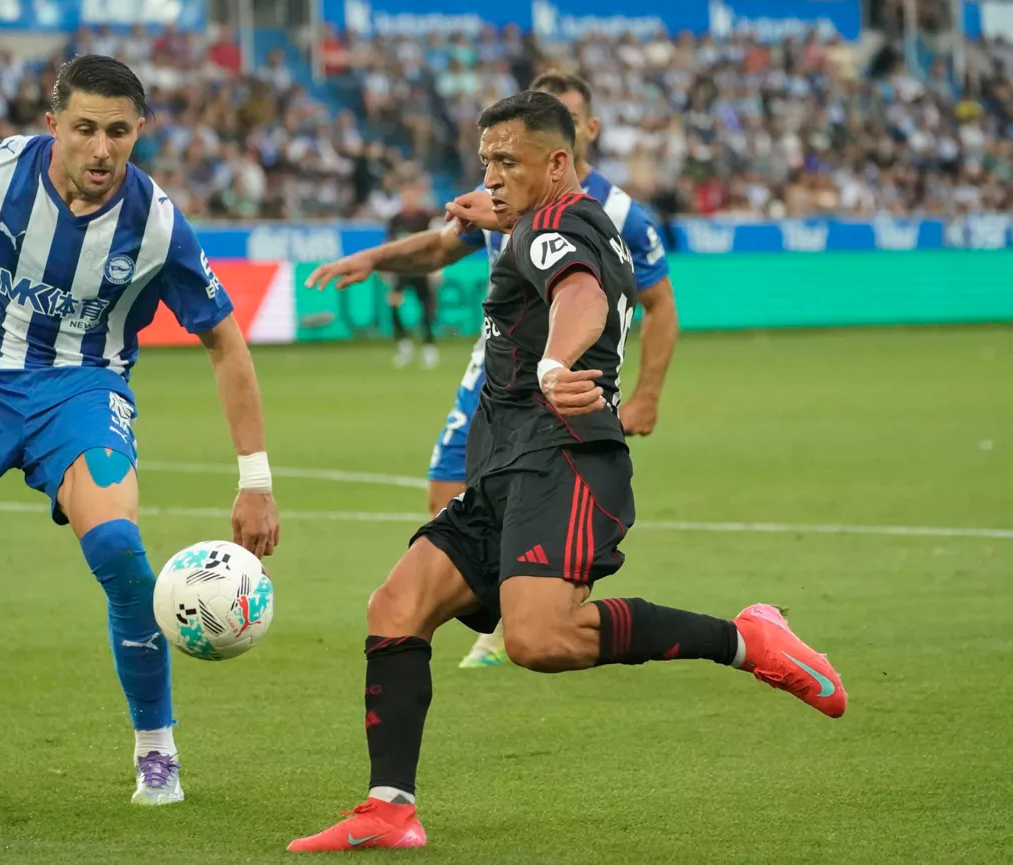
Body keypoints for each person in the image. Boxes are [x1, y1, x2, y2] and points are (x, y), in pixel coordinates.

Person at [286, 91, 844, 854]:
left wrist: (554, 359)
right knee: (396, 604)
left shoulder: (558, 222)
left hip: (564, 458)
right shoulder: (534, 219)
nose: (491, 175)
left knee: (539, 639)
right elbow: (510, 248)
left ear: (558, 162)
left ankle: (746, 638)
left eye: (507, 161)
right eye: (485, 160)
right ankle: (390, 808)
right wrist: (412, 246)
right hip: (508, 462)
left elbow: (578, 292)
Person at [0, 55, 280, 806]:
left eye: (120, 132)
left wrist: (255, 478)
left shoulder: (157, 224)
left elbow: (225, 339)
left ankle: (156, 751)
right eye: (86, 129)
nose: (102, 149)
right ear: (54, 126)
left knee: (117, 548)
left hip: (81, 391)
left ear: (141, 133)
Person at [304, 73, 679, 667]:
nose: (495, 167)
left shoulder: (613, 211)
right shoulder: (502, 187)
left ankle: (532, 615)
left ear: (585, 132)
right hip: (490, 380)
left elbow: (643, 302)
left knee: (538, 531)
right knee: (443, 496)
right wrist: (374, 259)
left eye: (574, 115)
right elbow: (441, 246)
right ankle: (512, 610)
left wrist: (644, 392)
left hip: (559, 392)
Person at [383, 176, 440, 370]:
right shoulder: (395, 220)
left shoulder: (425, 217)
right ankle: (404, 344)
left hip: (422, 269)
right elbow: (389, 246)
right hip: (402, 270)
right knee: (394, 305)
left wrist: (436, 269)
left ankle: (429, 347)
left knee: (426, 309)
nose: (408, 198)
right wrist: (387, 268)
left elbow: (436, 243)